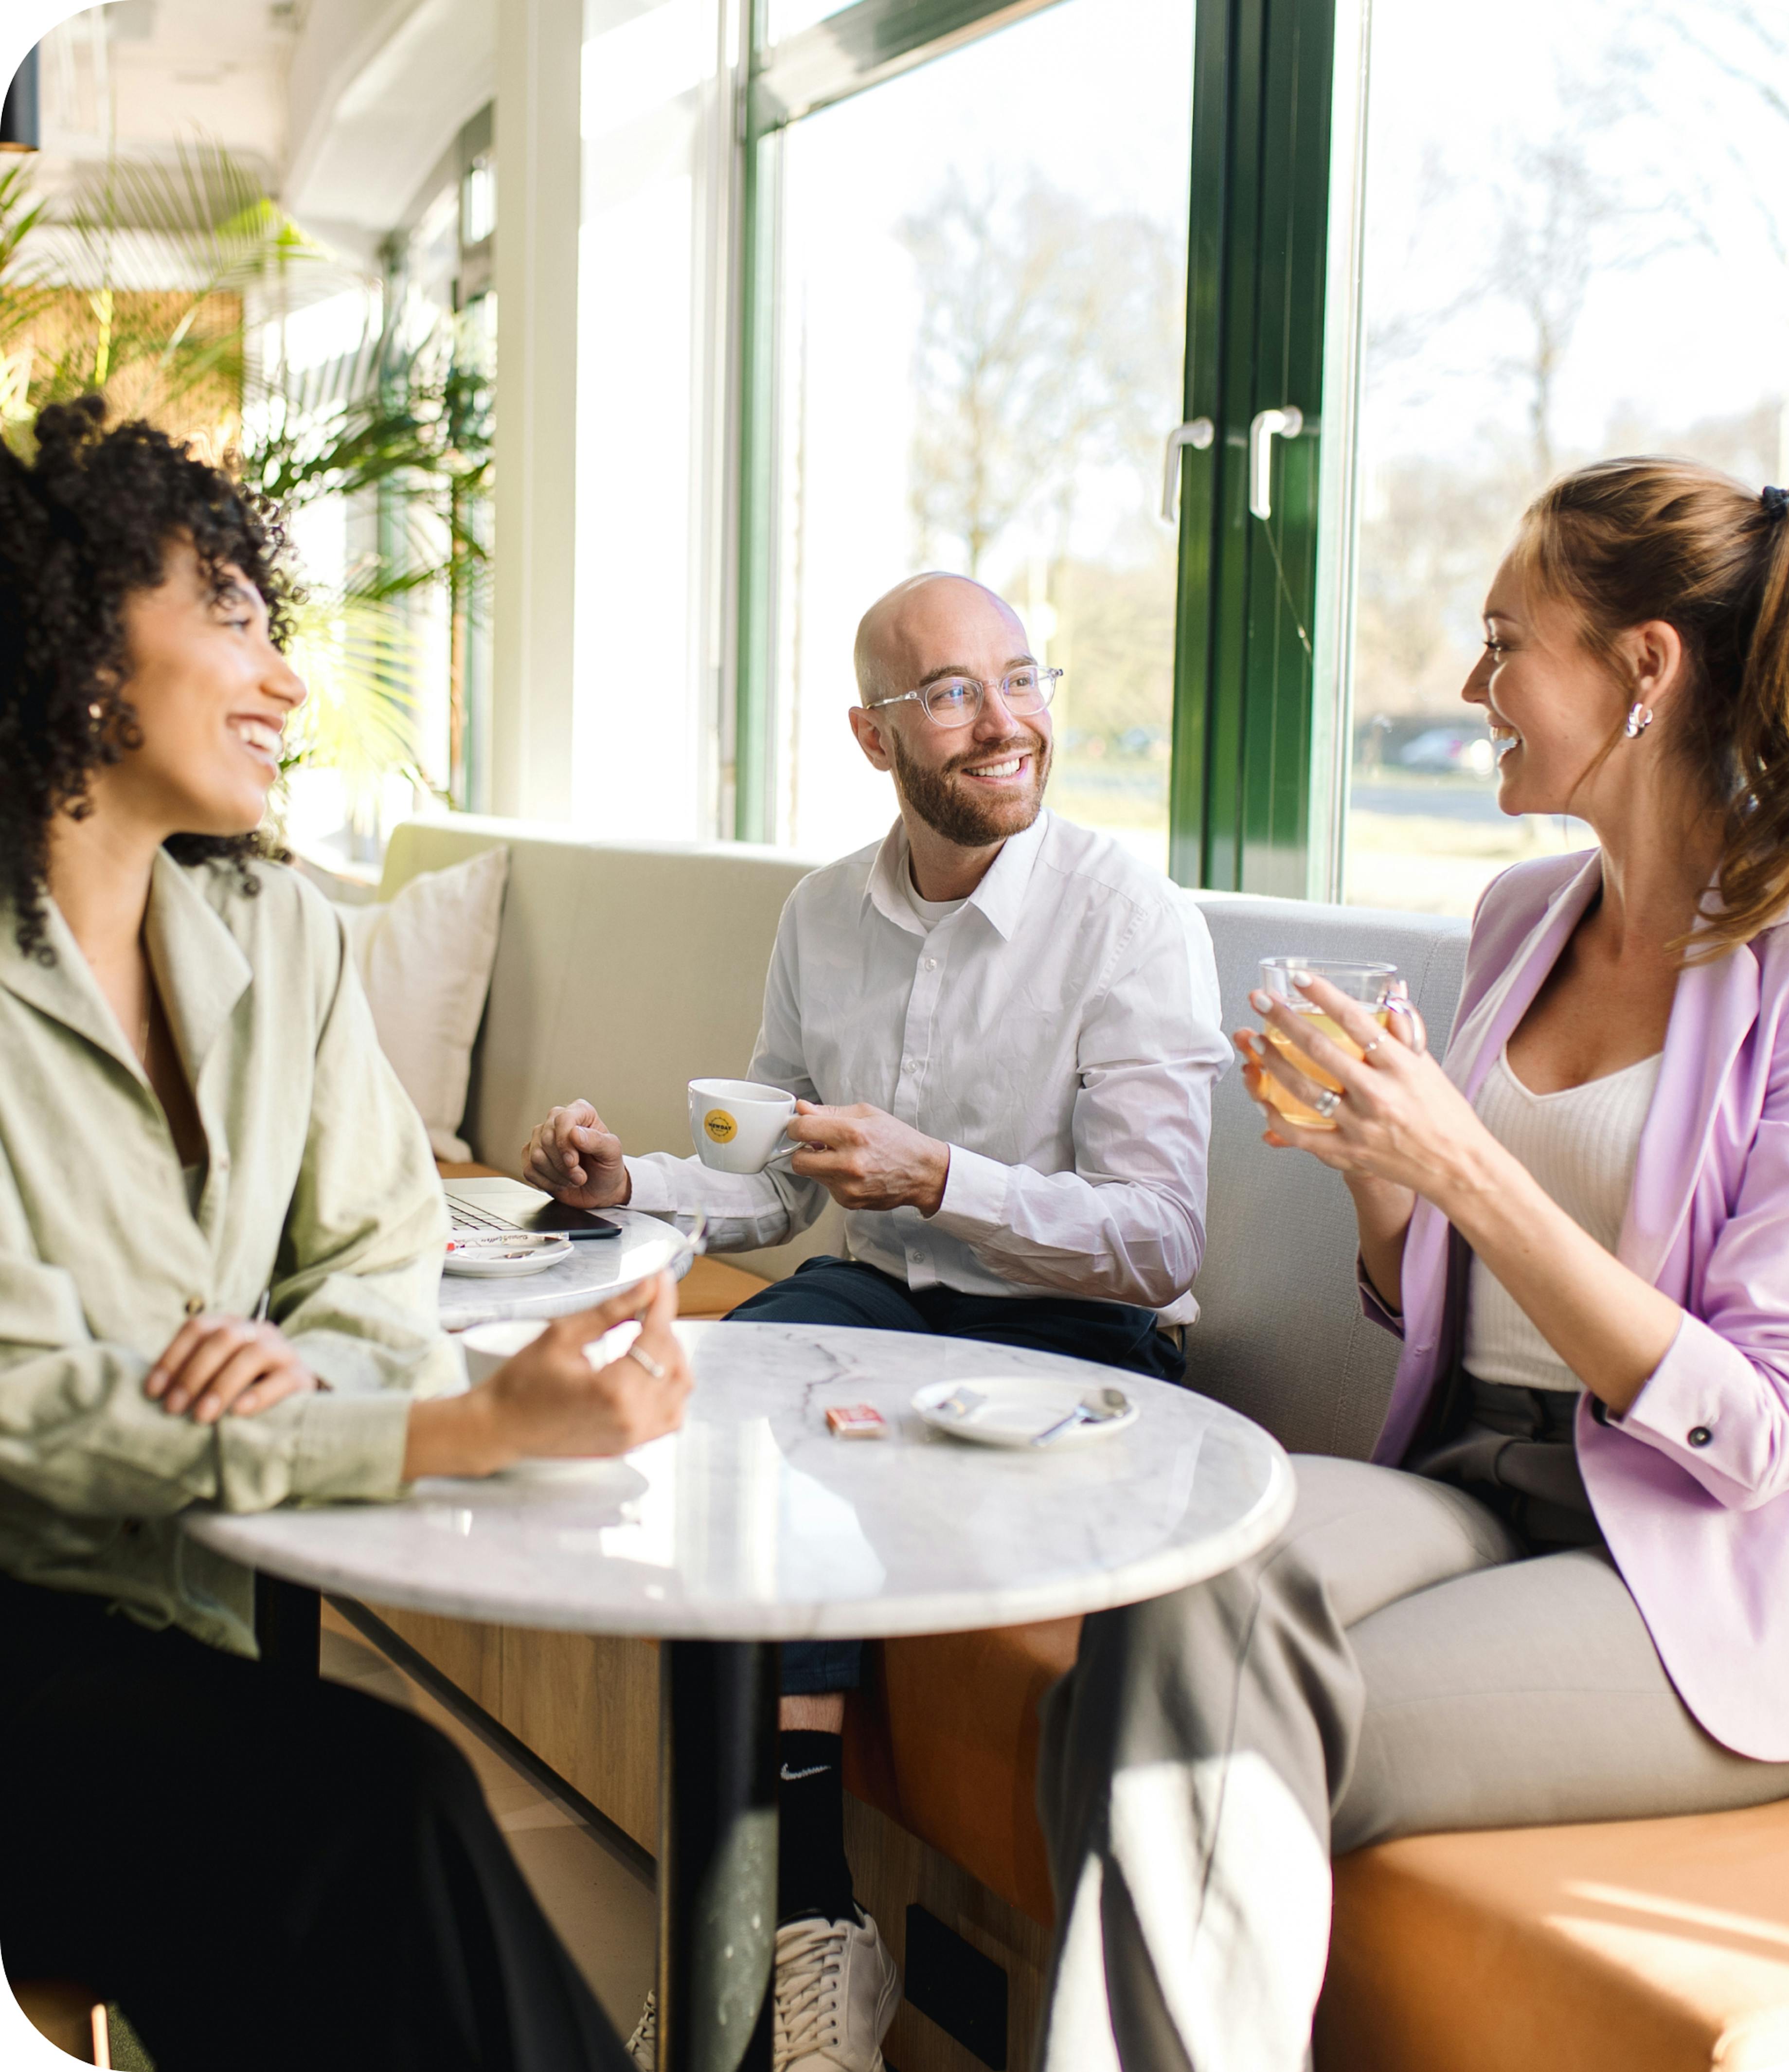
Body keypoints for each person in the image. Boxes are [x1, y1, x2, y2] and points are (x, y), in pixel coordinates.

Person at [1035, 453, 1789, 2071]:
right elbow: (1433, 1298)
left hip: (1698, 1575)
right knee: (1171, 1584)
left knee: (1173, 1723)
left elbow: (1767, 1428)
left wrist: (1463, 1164)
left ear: (1645, 668)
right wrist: (1380, 1174)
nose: (1471, 684)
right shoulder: (1520, 918)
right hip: (1477, 1479)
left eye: (1506, 642)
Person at [0, 398, 693, 2072]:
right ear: (81, 641)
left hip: (226, 1606)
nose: (289, 680)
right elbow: (31, 1400)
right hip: (28, 1629)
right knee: (387, 1806)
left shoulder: (279, 938)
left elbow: (378, 1257)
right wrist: (463, 1423)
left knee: (341, 1900)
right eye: (228, 613)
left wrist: (300, 1362)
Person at [522, 570, 1234, 2070]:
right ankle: (809, 1925)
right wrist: (624, 1183)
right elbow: (775, 1179)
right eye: (954, 693)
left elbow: (1161, 1237)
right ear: (872, 734)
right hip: (883, 1308)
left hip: (1079, 1340)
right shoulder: (823, 914)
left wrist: (941, 1177)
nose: (1004, 721)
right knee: (711, 1399)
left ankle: (749, 1936)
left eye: (1021, 679)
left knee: (811, 1442)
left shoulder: (1131, 920)